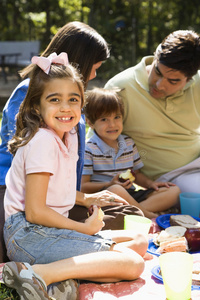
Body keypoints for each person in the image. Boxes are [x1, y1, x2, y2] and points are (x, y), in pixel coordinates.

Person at [2, 54, 148, 300]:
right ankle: (39, 274)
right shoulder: (43, 141)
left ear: (82, 104)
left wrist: (89, 199)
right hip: (28, 234)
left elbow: (56, 191)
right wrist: (83, 228)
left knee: (139, 239)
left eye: (73, 99)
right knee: (133, 263)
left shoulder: (67, 136)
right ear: (37, 106)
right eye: (54, 99)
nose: (65, 107)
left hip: (47, 229)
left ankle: (63, 277)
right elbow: (35, 212)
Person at [103, 30, 200, 193]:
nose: (160, 85)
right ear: (155, 58)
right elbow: (96, 140)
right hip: (158, 180)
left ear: (190, 79)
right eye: (158, 72)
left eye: (173, 81)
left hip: (195, 166)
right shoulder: (120, 87)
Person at [81, 88, 180, 219]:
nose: (112, 124)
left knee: (174, 191)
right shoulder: (89, 149)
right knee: (116, 190)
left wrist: (150, 184)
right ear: (90, 123)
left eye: (117, 117)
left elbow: (137, 174)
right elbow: (83, 187)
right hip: (107, 196)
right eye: (104, 119)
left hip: (131, 195)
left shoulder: (128, 143)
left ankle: (136, 212)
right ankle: (149, 215)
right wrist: (109, 184)